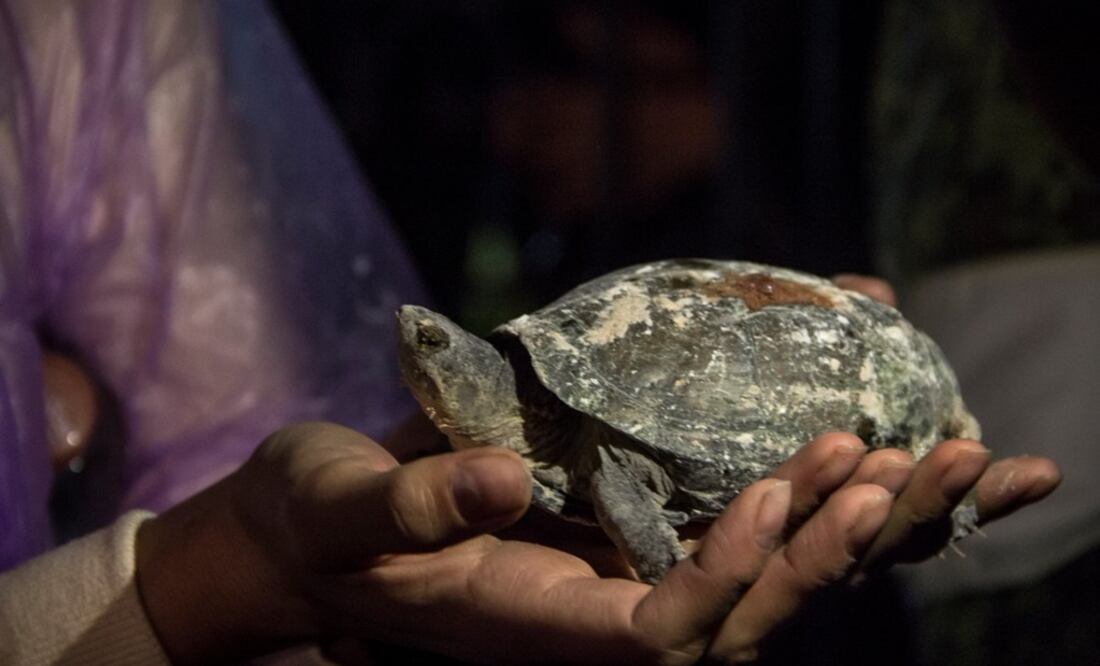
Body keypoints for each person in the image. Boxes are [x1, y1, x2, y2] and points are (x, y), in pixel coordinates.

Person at [0, 1, 1061, 664]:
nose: (419, 361)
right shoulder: (510, 432)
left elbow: (621, 455)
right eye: (424, 356)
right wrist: (242, 571)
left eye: (434, 354)